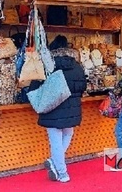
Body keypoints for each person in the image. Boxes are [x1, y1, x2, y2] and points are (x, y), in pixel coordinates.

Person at [29, 35, 87, 182]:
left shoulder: (48, 66)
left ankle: (62, 173)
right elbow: (83, 87)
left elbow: (34, 87)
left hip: (52, 109)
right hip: (72, 109)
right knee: (68, 134)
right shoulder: (77, 66)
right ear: (67, 48)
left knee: (55, 141)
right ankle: (55, 162)